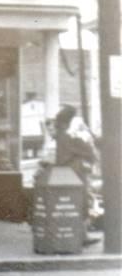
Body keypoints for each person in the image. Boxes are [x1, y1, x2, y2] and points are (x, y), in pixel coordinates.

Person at [54, 105, 100, 247]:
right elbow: (90, 151)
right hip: (76, 174)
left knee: (72, 204)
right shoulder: (70, 138)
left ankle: (78, 235)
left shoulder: (61, 137)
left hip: (65, 174)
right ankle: (82, 236)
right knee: (81, 203)